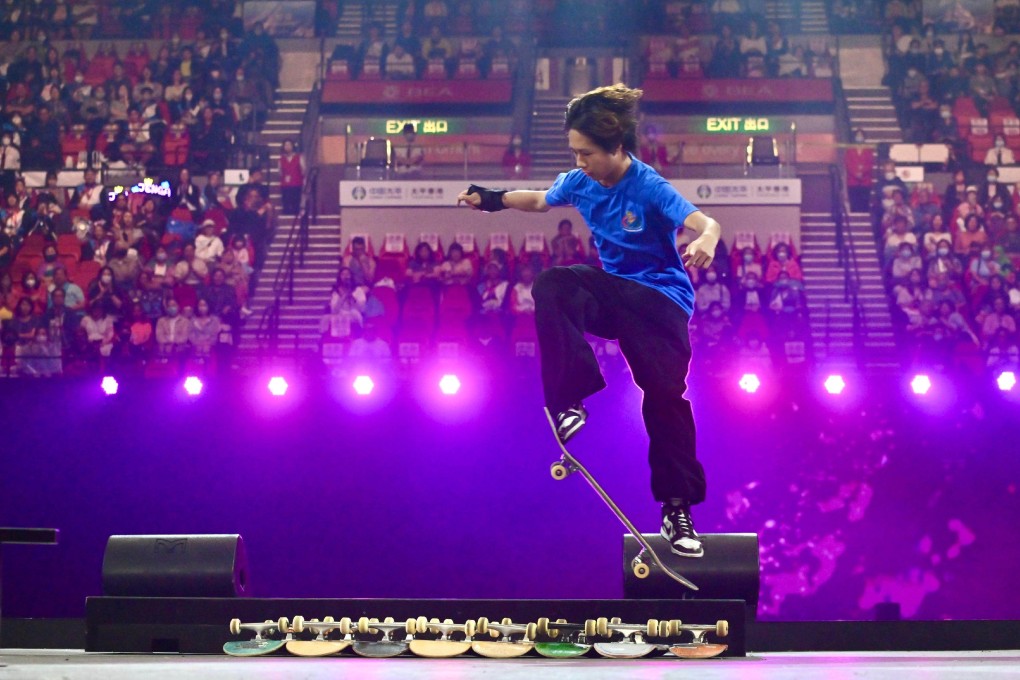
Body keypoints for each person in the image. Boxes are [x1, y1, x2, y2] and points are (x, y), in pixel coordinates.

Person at [457, 84, 721, 558]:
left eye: (587, 154)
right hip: (616, 294)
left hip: (661, 303)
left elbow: (705, 222)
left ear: (616, 148)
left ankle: (678, 510)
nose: (580, 163)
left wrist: (706, 242)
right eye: (574, 153)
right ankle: (569, 401)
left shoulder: (648, 185)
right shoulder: (580, 182)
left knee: (665, 398)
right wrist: (492, 198)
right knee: (555, 284)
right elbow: (539, 200)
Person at [279, 139, 305, 215]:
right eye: (285, 145)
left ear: (292, 146)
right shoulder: (281, 159)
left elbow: (303, 170)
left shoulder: (299, 157)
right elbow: (280, 172)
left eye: (289, 145)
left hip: (296, 182)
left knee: (296, 201)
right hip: (285, 184)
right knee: (286, 201)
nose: (287, 147)